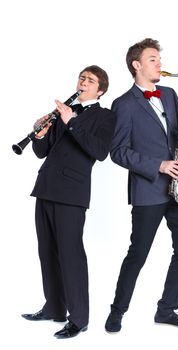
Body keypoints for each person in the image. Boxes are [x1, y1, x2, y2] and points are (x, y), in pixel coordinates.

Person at [105, 38, 178, 332]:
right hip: (148, 191)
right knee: (138, 254)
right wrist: (158, 165)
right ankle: (117, 311)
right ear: (136, 65)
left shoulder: (171, 94)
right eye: (152, 59)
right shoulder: (123, 104)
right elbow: (118, 151)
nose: (159, 63)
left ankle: (167, 309)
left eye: (159, 58)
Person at [21, 65, 116, 339]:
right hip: (46, 187)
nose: (83, 82)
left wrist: (71, 121)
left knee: (71, 255)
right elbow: (43, 152)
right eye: (82, 77)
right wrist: (39, 134)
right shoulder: (65, 112)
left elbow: (100, 152)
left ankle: (79, 318)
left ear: (100, 89)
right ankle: (54, 308)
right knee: (46, 250)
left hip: (71, 193)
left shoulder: (105, 116)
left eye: (90, 80)